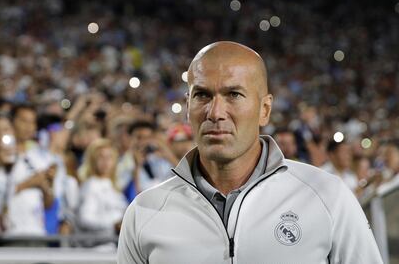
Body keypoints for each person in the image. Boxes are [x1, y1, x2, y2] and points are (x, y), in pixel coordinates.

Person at [117, 41, 383, 264]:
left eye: (233, 94)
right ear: (187, 107)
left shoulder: (327, 196)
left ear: (264, 110)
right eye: (202, 95)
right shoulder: (145, 211)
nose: (215, 112)